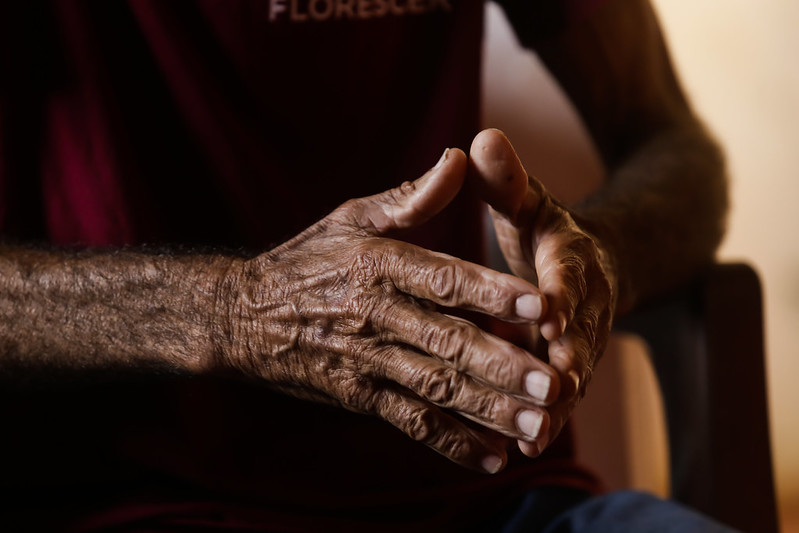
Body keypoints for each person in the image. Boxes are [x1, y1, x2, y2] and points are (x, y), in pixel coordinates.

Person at [0, 0, 733, 531]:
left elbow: (672, 145)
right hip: (137, 500)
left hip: (493, 498)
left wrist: (596, 251)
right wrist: (232, 310)